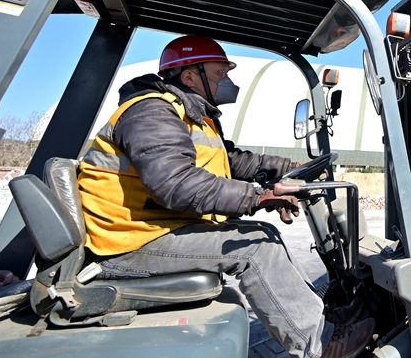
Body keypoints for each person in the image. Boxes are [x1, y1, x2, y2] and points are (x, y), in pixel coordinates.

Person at [77, 35, 374, 358]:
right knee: (255, 247)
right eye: (221, 74)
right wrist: (257, 197)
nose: (228, 82)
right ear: (190, 76)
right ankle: (320, 344)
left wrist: (293, 169)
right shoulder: (151, 113)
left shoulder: (191, 117)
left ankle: (317, 320)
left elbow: (233, 162)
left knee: (262, 235)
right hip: (128, 243)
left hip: (151, 229)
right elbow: (175, 184)